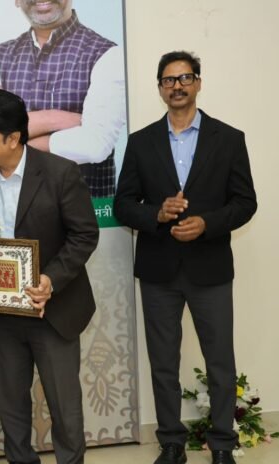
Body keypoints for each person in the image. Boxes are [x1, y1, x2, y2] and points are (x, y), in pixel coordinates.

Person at [114, 51, 257, 464]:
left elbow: (245, 202)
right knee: (163, 362)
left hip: (210, 268)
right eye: (168, 80)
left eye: (185, 77)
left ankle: (223, 444)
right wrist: (156, 215)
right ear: (160, 88)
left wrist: (207, 224)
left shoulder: (229, 138)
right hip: (158, 270)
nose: (176, 86)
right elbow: (123, 205)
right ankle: (172, 443)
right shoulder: (140, 142)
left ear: (198, 82)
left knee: (220, 361)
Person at [0, 89, 99, 464]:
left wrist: (51, 279)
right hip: (2, 313)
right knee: (11, 407)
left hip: (53, 311)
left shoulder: (59, 173)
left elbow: (84, 235)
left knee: (64, 407)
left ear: (13, 138)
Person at [0, 0, 126, 197]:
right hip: (16, 205)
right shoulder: (0, 55)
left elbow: (95, 145)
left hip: (85, 207)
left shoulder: (106, 54)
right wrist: (57, 119)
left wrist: (13, 148)